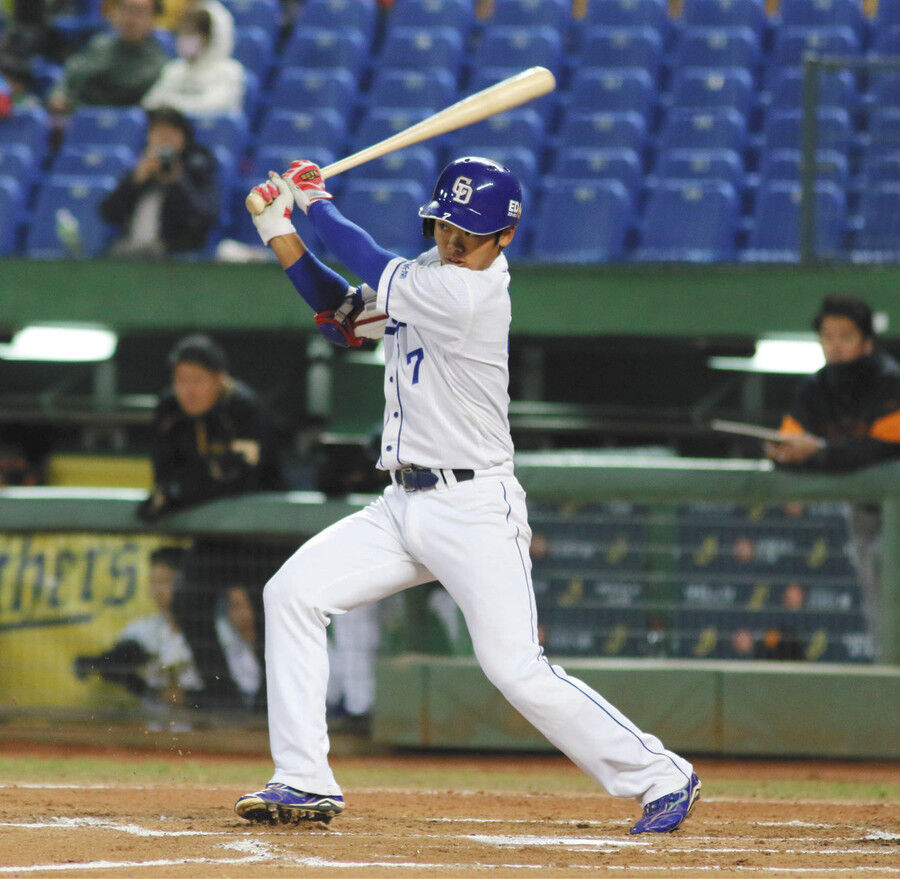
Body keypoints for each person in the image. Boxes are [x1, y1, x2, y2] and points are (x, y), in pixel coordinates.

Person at [231, 157, 701, 834]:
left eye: (469, 233)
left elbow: (364, 257)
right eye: (445, 226)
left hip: (474, 506)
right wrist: (278, 228)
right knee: (292, 594)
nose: (453, 241)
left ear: (503, 237)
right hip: (402, 502)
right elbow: (340, 316)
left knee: (516, 670)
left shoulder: (472, 294)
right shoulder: (426, 274)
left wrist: (316, 204)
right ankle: (303, 778)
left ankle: (662, 775)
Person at [765, 294, 900, 652]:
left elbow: (886, 450)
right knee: (881, 610)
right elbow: (792, 443)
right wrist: (785, 453)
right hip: (865, 513)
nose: (835, 345)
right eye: (827, 336)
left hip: (896, 508)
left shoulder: (889, 380)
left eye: (845, 336)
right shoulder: (815, 388)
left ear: (866, 342)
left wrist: (821, 452)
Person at [139, 331, 284, 520]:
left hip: (260, 521)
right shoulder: (168, 410)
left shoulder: (245, 409)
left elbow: (240, 481)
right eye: (181, 380)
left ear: (220, 379)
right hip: (195, 523)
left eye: (197, 380)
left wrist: (178, 493)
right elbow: (164, 476)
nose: (189, 391)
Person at [73, 545, 203, 718]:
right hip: (153, 730)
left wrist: (185, 697)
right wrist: (100, 663)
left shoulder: (212, 631)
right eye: (154, 582)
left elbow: (229, 697)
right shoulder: (146, 628)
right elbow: (124, 655)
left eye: (166, 581)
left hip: (205, 730)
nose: (158, 591)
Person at [98, 105, 220, 258]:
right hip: (132, 248)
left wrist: (177, 182)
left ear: (184, 136)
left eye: (170, 132)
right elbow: (108, 214)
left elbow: (204, 217)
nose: (164, 139)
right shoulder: (143, 167)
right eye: (157, 132)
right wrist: (134, 182)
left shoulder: (199, 167)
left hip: (174, 252)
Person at [47, 0, 168, 114]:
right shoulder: (99, 45)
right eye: (125, 9)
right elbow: (70, 74)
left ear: (153, 18)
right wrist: (59, 95)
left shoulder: (157, 63)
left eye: (139, 12)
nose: (130, 18)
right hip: (77, 115)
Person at [141, 5, 245, 117]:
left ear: (211, 37)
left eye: (193, 32)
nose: (185, 37)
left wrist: (172, 103)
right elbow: (151, 103)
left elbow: (215, 106)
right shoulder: (175, 69)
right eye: (184, 32)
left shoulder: (230, 72)